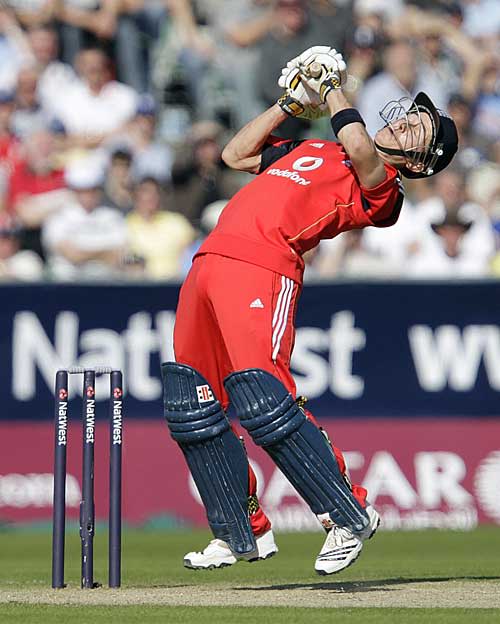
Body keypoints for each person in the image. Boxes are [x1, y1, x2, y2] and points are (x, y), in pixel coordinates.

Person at [161, 46, 458, 575]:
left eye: (419, 129)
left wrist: (332, 87)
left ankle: (348, 512)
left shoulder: (381, 188)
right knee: (191, 402)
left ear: (418, 163)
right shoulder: (315, 150)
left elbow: (361, 148)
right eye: (412, 114)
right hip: (209, 260)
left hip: (262, 266)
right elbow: (235, 154)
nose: (409, 121)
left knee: (263, 397)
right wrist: (292, 102)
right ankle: (238, 530)